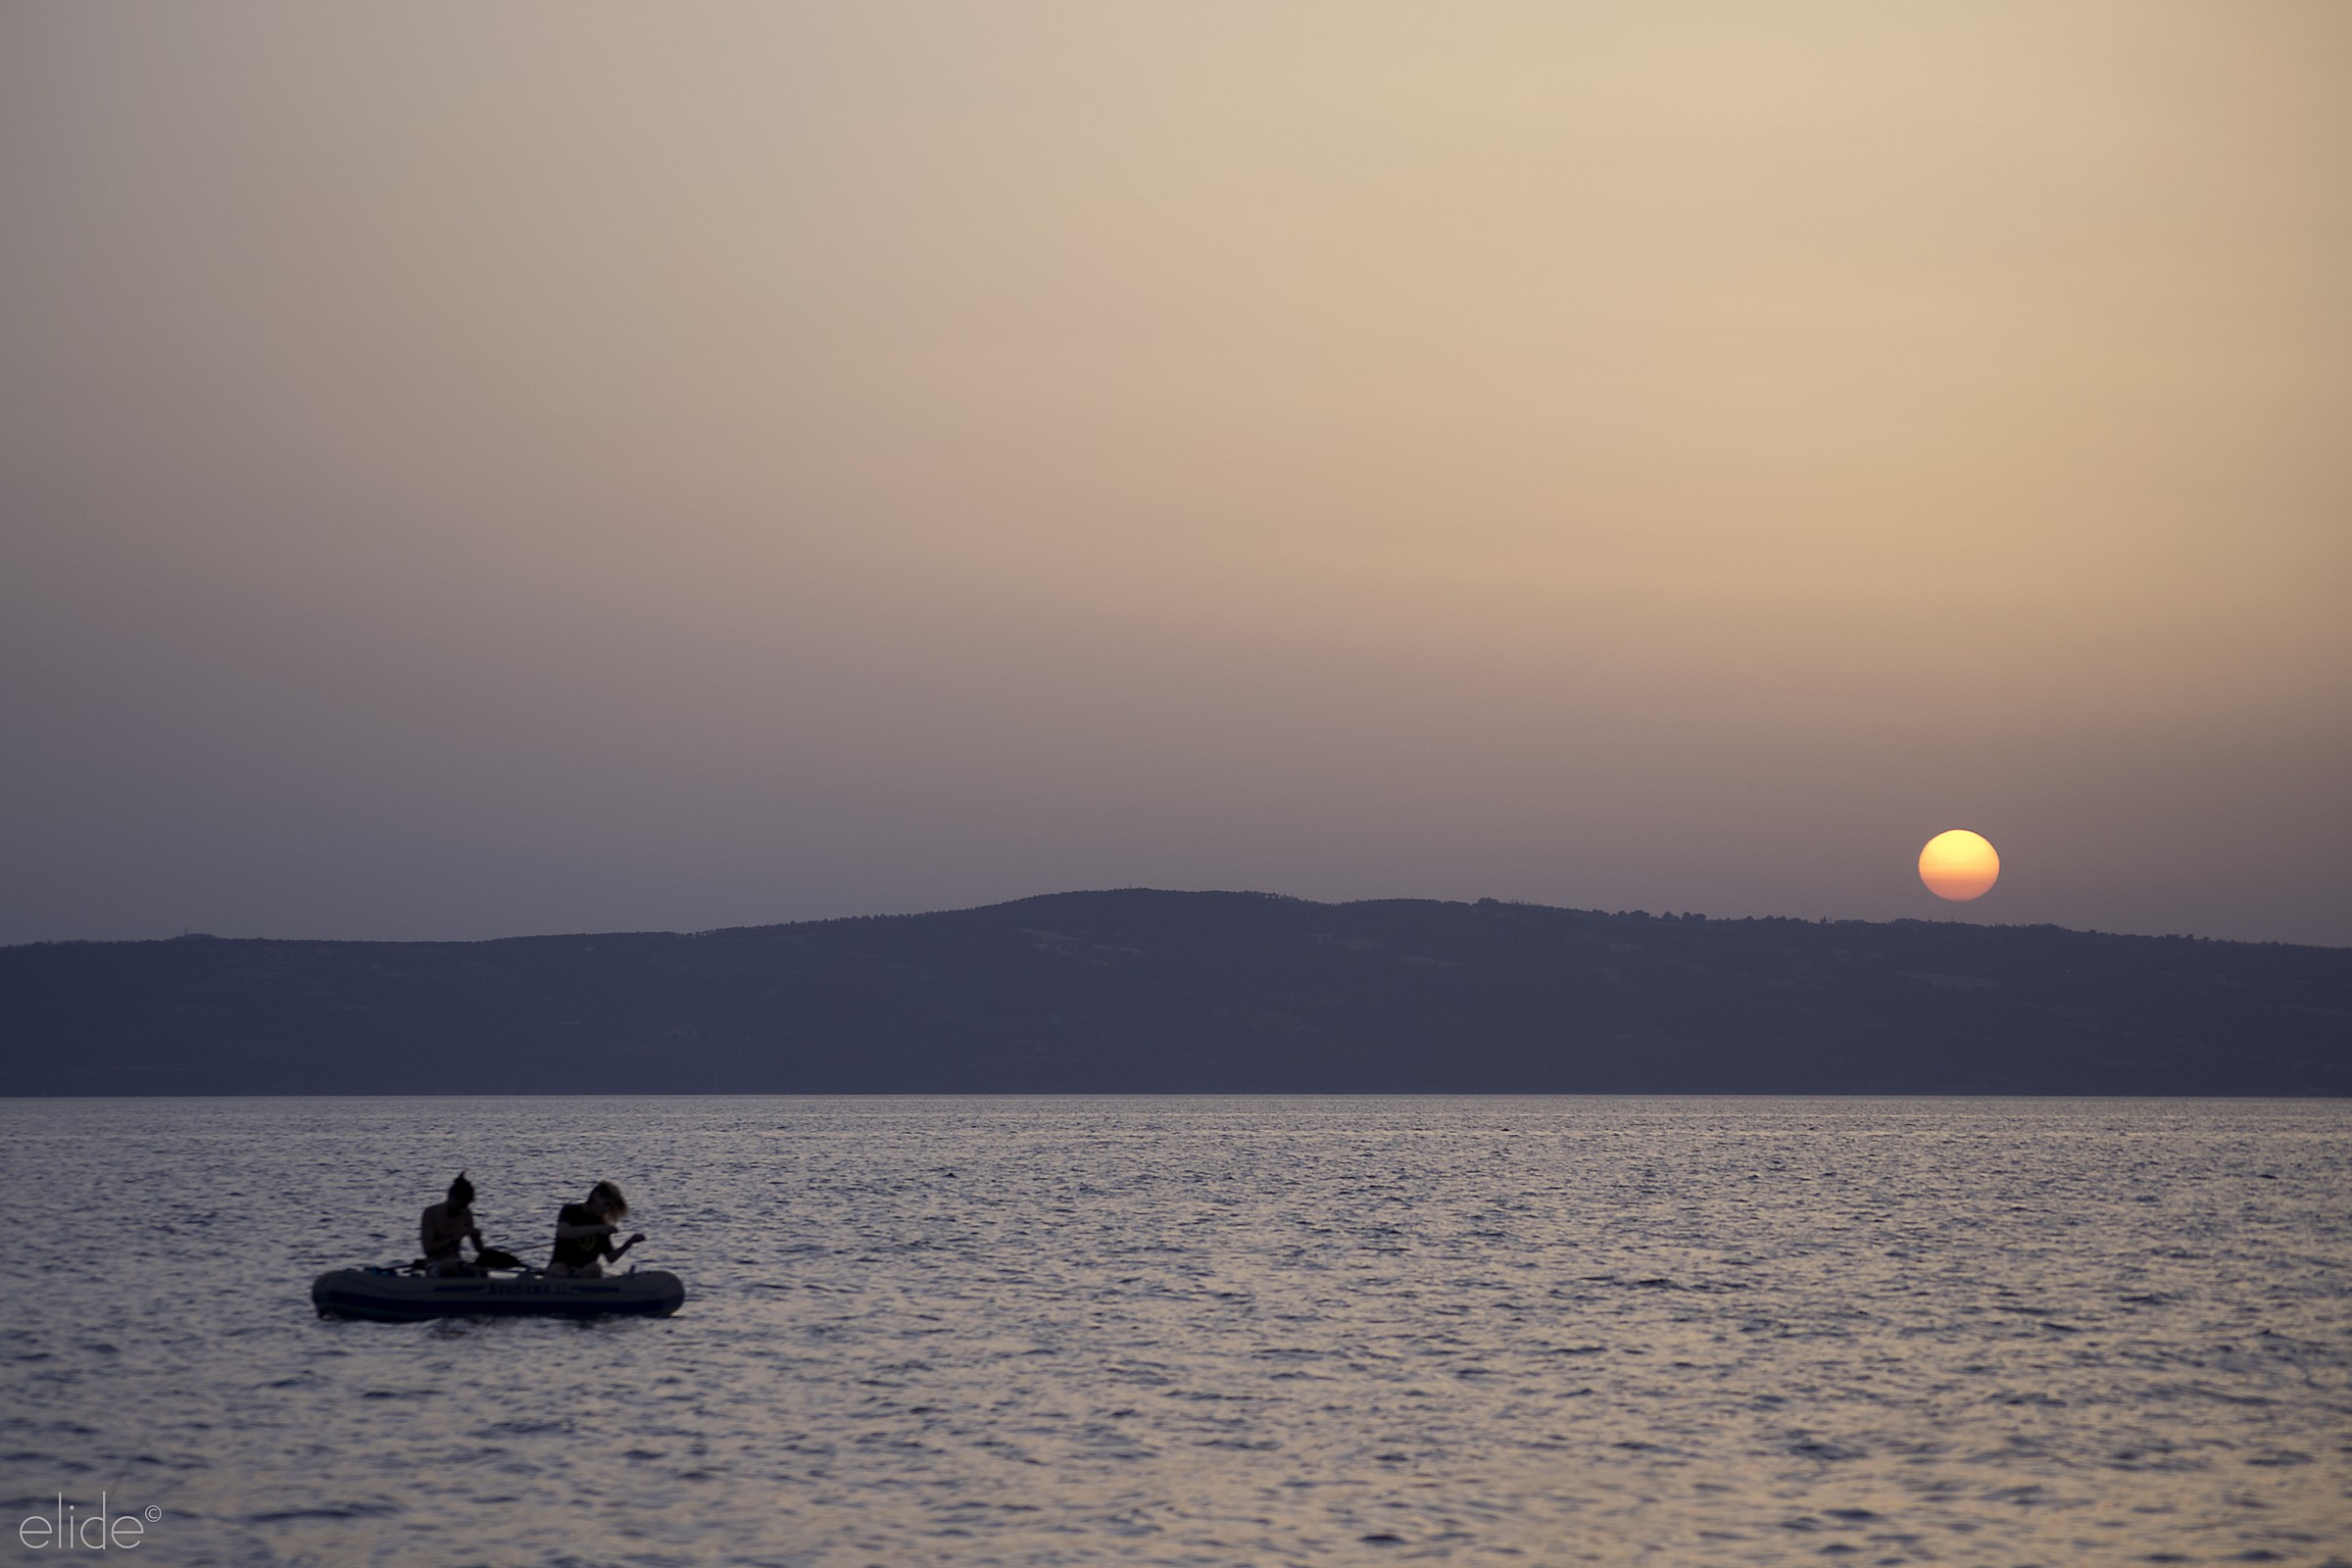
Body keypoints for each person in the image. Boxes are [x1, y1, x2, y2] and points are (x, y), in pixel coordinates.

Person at [548, 1180, 646, 1278]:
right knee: (558, 1268)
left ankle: (576, 1276)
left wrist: (629, 1243)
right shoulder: (570, 1210)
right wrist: (598, 1229)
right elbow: (564, 1232)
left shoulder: (601, 1223)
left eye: (610, 1207)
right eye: (606, 1204)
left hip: (585, 1271)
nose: (607, 1210)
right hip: (561, 1267)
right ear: (596, 1196)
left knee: (596, 1268)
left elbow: (610, 1257)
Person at [419, 1172, 486, 1276]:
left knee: (481, 1271)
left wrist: (476, 1236)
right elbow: (428, 1250)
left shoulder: (466, 1213)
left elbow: (479, 1250)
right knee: (453, 1268)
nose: (461, 1209)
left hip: (457, 1262)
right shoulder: (431, 1213)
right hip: (435, 1264)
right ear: (451, 1197)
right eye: (459, 1205)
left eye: (465, 1205)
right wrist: (454, 1239)